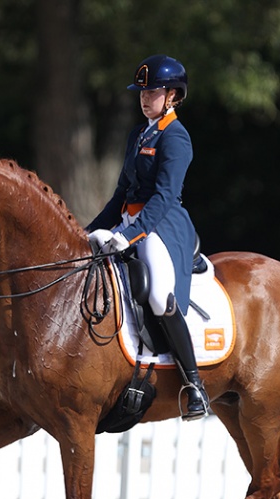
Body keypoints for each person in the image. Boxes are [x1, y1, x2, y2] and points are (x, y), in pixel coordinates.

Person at [86, 54, 208, 420]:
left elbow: (165, 196)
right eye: (142, 91)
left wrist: (130, 235)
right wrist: (87, 233)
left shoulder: (177, 137)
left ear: (172, 96)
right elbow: (122, 193)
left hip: (162, 225)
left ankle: (194, 385)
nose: (144, 97)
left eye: (152, 91)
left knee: (158, 294)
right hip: (129, 221)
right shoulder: (138, 135)